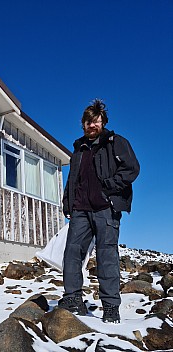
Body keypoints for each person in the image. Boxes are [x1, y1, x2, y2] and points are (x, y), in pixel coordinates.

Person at [59, 99, 140, 323]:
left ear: (103, 122)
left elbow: (132, 168)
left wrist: (109, 188)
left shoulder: (115, 142)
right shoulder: (79, 149)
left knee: (107, 257)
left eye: (96, 121)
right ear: (82, 124)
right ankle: (73, 297)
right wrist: (69, 204)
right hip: (81, 211)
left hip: (106, 208)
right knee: (72, 253)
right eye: (87, 122)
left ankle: (111, 306)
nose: (91, 125)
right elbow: (72, 180)